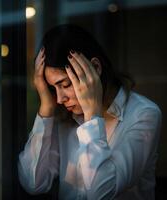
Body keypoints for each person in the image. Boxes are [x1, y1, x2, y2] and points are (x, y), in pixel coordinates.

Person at [18, 24, 162, 200]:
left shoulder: (144, 114)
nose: (59, 98)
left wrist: (92, 116)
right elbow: (34, 183)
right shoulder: (65, 114)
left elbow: (101, 193)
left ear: (95, 67)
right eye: (53, 88)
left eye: (65, 85)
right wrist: (46, 107)